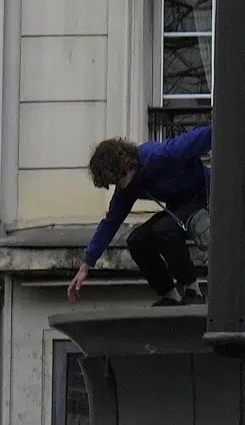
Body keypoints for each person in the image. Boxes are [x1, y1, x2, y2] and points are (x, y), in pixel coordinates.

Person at [70, 127, 211, 305]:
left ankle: (193, 292)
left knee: (164, 229)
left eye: (116, 181)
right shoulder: (127, 188)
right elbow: (110, 223)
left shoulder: (158, 155)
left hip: (205, 197)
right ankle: (170, 296)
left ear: (124, 165)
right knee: (137, 240)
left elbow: (203, 136)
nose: (119, 187)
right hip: (178, 209)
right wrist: (85, 266)